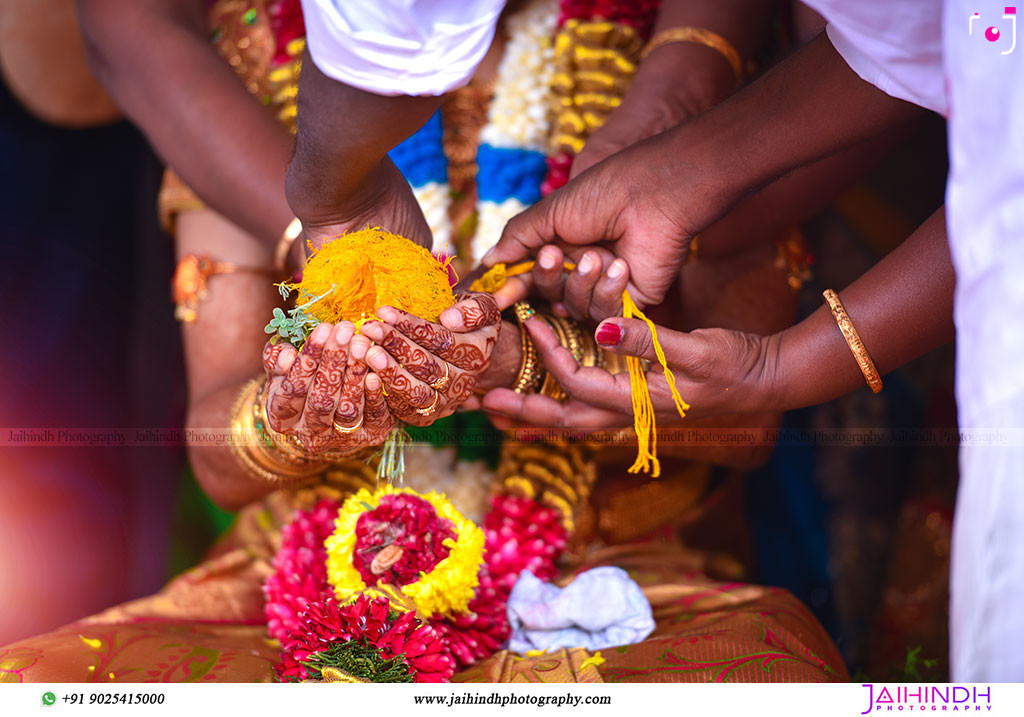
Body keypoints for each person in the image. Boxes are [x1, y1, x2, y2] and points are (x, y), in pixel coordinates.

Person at [0, 0, 853, 683]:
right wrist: (299, 412)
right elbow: (215, 452)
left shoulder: (666, 65)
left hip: (616, 569)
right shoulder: (263, 58)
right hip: (293, 573)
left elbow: (746, 426)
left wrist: (525, 367)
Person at [485, 0, 1024, 681]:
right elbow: (927, 47)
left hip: (640, 550)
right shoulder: (336, 54)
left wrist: (516, 363)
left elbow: (745, 423)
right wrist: (672, 162)